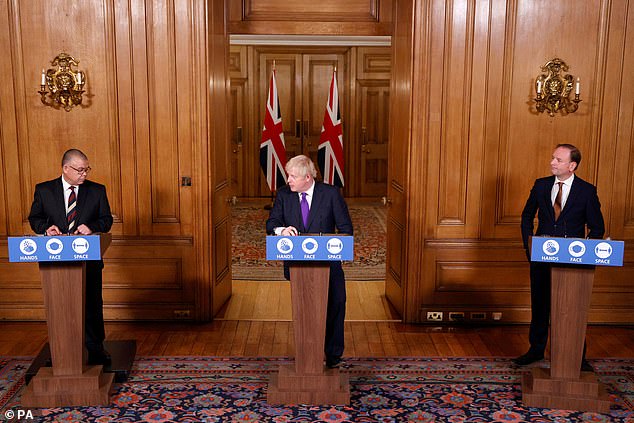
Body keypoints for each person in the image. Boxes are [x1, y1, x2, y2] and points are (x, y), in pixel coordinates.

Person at [514, 144, 605, 371]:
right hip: (541, 259)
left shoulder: (587, 191)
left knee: (572, 309)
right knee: (540, 305)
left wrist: (584, 256)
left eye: (558, 160)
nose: (552, 162)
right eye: (553, 158)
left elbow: (597, 228)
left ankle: (577, 356)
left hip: (572, 264)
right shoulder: (541, 185)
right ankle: (536, 350)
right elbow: (526, 217)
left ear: (572, 166)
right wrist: (530, 246)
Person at [266, 155, 353, 369]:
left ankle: (332, 357)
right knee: (305, 310)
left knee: (336, 304)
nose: (289, 180)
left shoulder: (331, 194)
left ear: (307, 177)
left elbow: (346, 230)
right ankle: (307, 357)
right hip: (298, 268)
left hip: (328, 268)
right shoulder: (284, 195)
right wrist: (281, 230)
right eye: (288, 175)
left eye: (293, 176)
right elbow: (272, 222)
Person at [28, 148, 113, 365]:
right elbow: (34, 218)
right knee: (60, 307)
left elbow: (106, 220)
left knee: (92, 303)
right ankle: (61, 351)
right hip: (55, 262)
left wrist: (91, 227)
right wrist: (46, 229)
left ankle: (95, 349)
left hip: (89, 260)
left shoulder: (97, 190)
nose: (84, 174)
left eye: (86, 169)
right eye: (80, 170)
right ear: (66, 168)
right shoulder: (44, 190)